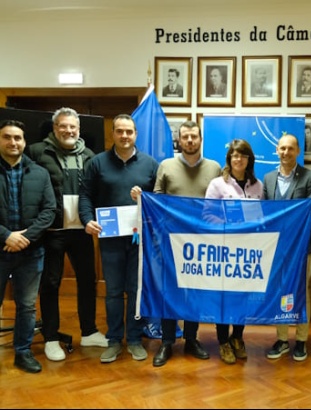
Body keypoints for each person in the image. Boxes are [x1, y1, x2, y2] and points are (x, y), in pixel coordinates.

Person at [131, 120, 221, 367]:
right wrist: (142, 198)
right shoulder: (166, 166)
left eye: (194, 136)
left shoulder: (214, 168)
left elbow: (221, 203)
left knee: (194, 292)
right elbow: (157, 200)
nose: (190, 140)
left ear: (200, 139)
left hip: (202, 242)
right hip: (170, 241)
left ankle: (191, 338)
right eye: (185, 137)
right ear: (179, 140)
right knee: (168, 291)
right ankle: (167, 341)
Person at [27, 107, 107, 363]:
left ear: (79, 130)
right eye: (63, 126)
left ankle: (89, 331)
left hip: (82, 229)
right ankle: (51, 338)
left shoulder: (90, 156)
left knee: (87, 280)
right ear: (55, 128)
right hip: (52, 231)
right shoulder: (37, 152)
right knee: (50, 283)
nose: (68, 130)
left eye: (73, 127)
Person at [79, 114, 160, 364]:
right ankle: (114, 340)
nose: (124, 136)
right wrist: (87, 219)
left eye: (129, 131)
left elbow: (159, 199)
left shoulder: (150, 164)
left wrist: (144, 197)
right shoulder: (97, 163)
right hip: (110, 238)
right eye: (120, 131)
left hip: (139, 239)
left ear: (136, 134)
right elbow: (85, 195)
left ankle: (134, 339)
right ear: (112, 133)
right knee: (113, 291)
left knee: (135, 290)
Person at [0, 119, 56, 373]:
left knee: (26, 305)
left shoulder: (40, 173)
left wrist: (25, 238)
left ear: (24, 142)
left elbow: (49, 211)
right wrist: (6, 236)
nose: (13, 142)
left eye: (18, 138)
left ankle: (23, 352)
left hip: (31, 252)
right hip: (0, 249)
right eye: (7, 137)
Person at [264, 133, 311, 362]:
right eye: (282, 148)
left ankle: (301, 340)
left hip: (300, 246)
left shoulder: (310, 177)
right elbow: (265, 212)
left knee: (300, 291)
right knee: (280, 291)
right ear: (276, 151)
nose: (286, 152)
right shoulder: (268, 178)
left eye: (290, 148)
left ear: (298, 151)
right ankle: (281, 339)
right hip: (276, 247)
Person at [205, 139, 263, 364]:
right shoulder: (217, 184)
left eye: (243, 155)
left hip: (247, 252)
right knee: (223, 298)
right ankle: (223, 341)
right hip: (224, 251)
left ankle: (237, 337)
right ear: (229, 158)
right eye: (235, 155)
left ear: (249, 159)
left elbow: (261, 216)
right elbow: (207, 215)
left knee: (243, 297)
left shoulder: (257, 186)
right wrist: (228, 224)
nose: (238, 159)